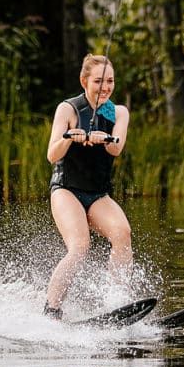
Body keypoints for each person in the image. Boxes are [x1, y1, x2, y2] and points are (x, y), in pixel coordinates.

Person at [43, 54, 132, 320]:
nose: (105, 87)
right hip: (66, 189)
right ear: (84, 81)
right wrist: (70, 137)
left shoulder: (118, 113)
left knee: (122, 234)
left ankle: (116, 303)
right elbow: (52, 154)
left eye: (110, 81)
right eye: (99, 81)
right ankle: (52, 310)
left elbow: (116, 148)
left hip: (97, 194)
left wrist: (104, 139)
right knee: (80, 246)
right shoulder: (68, 110)